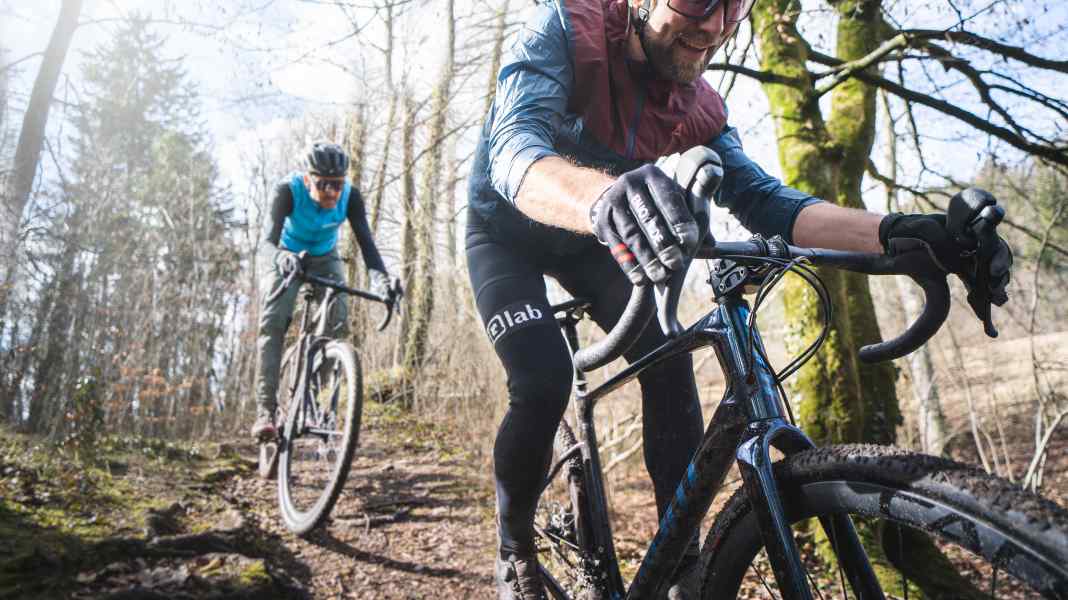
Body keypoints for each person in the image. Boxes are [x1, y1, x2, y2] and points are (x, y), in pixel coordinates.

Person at [465, 0, 1012, 597]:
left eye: (736, 5)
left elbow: (767, 203)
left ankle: (683, 567)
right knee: (543, 381)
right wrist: (601, 198)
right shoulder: (569, 25)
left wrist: (900, 235)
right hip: (508, 236)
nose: (715, 24)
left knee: (670, 366)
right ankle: (514, 548)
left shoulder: (697, 106)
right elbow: (513, 149)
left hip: (600, 242)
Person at [253, 142, 400, 441]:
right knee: (273, 322)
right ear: (307, 179)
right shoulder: (286, 192)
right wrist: (281, 258)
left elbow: (368, 247)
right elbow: (265, 244)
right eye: (323, 184)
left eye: (337, 184)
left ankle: (312, 399)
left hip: (325, 257)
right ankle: (266, 411)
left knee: (338, 320)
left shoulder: (350, 197)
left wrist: (382, 282)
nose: (332, 192)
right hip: (286, 255)